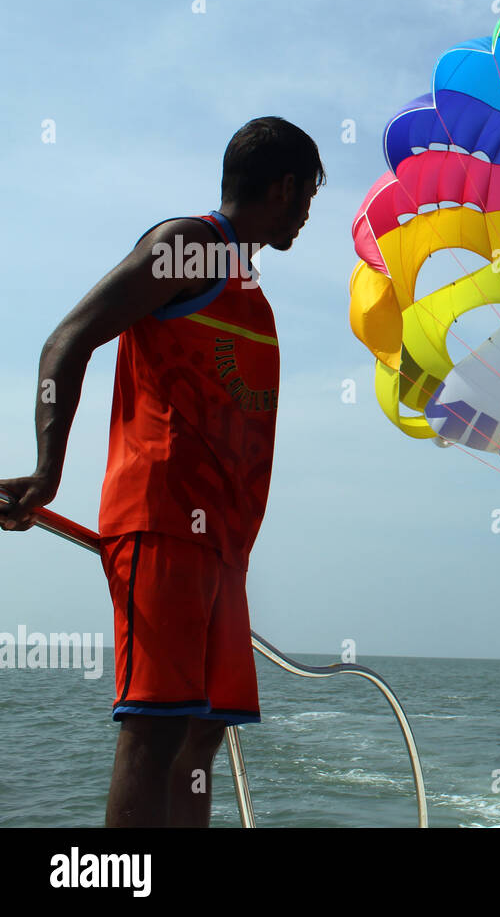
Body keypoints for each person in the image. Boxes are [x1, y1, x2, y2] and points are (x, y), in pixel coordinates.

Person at [0, 117, 323, 826]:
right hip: (162, 522)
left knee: (202, 731)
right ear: (285, 186)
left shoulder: (247, 288)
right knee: (155, 729)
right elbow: (69, 339)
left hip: (223, 549)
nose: (306, 215)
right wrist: (47, 471)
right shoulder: (191, 248)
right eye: (307, 198)